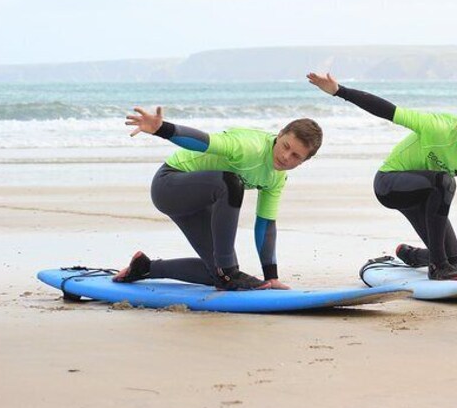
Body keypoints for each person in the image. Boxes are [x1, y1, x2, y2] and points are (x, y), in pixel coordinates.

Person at [307, 73, 457, 281]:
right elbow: (388, 111)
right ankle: (437, 266)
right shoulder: (438, 126)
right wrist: (339, 91)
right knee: (444, 181)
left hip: (425, 199)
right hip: (389, 184)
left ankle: (412, 255)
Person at [113, 106, 323, 290]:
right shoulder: (249, 146)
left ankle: (145, 268)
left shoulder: (276, 178)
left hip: (200, 201)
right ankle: (229, 272)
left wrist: (271, 277)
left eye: (296, 156)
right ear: (280, 134)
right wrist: (162, 129)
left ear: (304, 161)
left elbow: (266, 224)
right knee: (230, 183)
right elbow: (204, 142)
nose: (286, 157)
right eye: (286, 146)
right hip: (169, 185)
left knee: (215, 273)